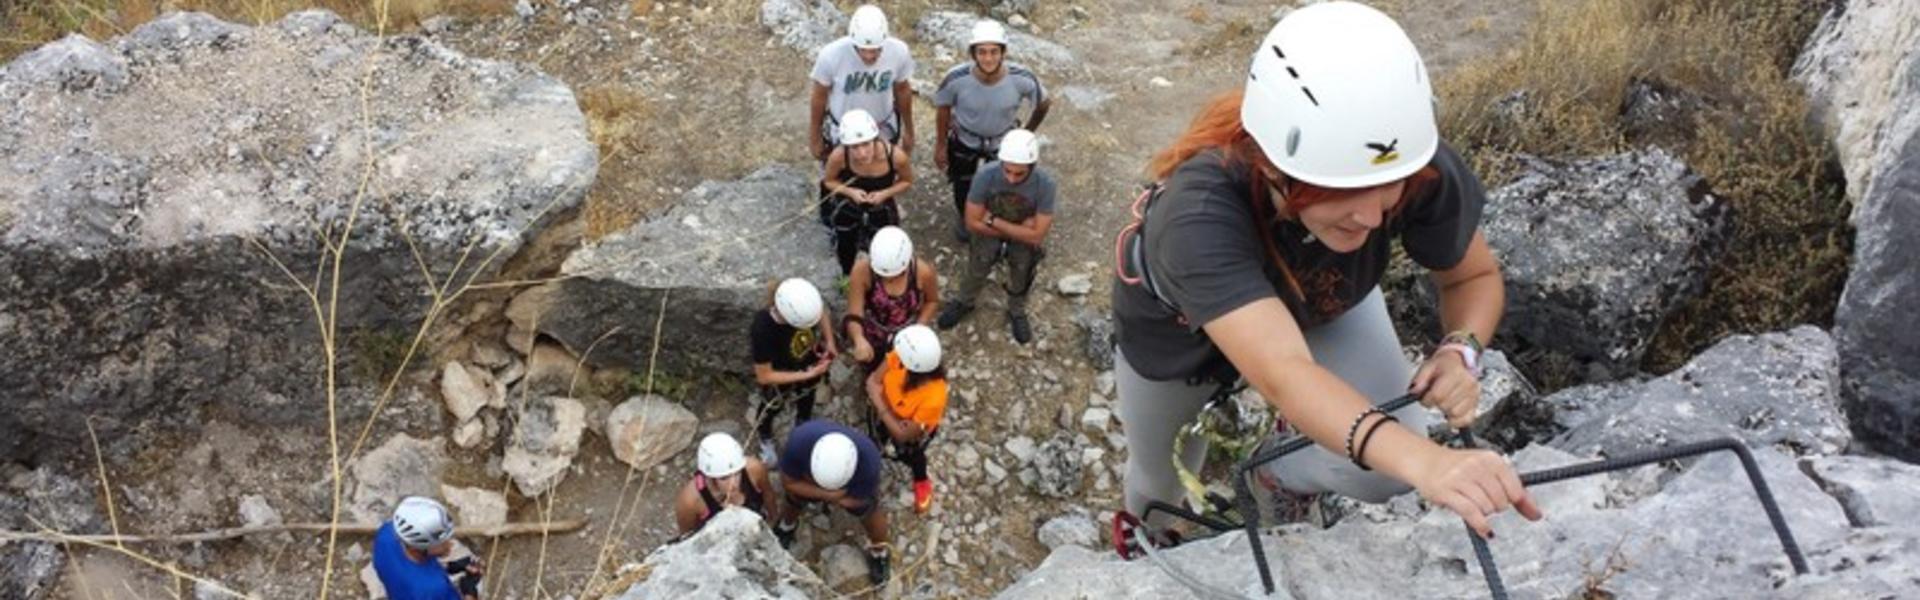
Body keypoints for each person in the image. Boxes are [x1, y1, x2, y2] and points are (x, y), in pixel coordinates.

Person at [1108, 1, 1541, 544]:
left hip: (1322, 298)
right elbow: (1283, 373)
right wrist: (1431, 464)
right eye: (1339, 193)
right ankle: (1147, 539)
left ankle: (1276, 473)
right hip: (1175, 332)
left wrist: (1461, 349)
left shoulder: (1407, 162)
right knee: (1158, 480)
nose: (1374, 216)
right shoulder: (1197, 215)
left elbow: (1472, 278)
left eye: (1390, 191)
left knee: (1387, 470)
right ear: (1272, 165)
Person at [933, 18, 1051, 241]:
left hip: (1001, 142)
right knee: (962, 183)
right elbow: (943, 109)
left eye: (994, 52)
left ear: (1003, 52)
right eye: (982, 52)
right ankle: (966, 217)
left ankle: (996, 222)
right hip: (965, 139)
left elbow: (1043, 103)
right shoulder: (956, 79)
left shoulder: (1021, 78)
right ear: (973, 53)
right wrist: (940, 145)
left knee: (1003, 183)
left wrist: (1026, 133)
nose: (988, 58)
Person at [936, 129, 1056, 345]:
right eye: (1007, 171)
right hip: (998, 233)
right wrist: (1022, 229)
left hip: (995, 227)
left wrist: (992, 220)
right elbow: (972, 221)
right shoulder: (985, 175)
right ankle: (965, 301)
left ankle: (1017, 310)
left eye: (1019, 174)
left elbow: (1038, 235)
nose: (1011, 178)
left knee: (1022, 271)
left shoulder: (1045, 185)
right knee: (977, 266)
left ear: (1032, 166)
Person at [774, 419, 892, 586]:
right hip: (813, 481)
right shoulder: (799, 442)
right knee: (793, 499)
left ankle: (880, 552)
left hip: (844, 489)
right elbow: (789, 482)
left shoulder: (868, 461)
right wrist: (827, 494)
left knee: (869, 512)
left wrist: (840, 498)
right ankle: (787, 525)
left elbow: (858, 500)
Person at [810, 4, 916, 162]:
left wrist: (909, 130)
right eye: (862, 50)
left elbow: (902, 90)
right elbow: (819, 96)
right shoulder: (831, 55)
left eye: (875, 50)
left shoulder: (899, 52)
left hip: (882, 127)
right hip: (842, 130)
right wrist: (815, 135)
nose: (868, 56)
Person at [751, 278, 838, 463]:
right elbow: (764, 375)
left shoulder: (804, 299)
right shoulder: (763, 328)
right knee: (772, 405)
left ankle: (803, 424)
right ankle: (765, 435)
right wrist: (806, 374)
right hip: (781, 371)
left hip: (807, 359)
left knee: (807, 394)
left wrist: (829, 342)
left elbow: (820, 311)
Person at [864, 325, 949, 514]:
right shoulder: (902, 355)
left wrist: (879, 402)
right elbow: (874, 380)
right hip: (887, 412)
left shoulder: (933, 397)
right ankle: (869, 461)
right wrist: (889, 415)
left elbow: (904, 435)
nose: (896, 354)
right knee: (875, 437)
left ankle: (921, 479)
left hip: (892, 414)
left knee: (912, 454)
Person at [822, 110, 915, 275]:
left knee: (884, 245)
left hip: (881, 205)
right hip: (848, 205)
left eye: (866, 144)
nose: (861, 153)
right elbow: (829, 181)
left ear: (875, 139)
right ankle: (848, 275)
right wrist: (850, 192)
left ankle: (879, 276)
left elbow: (907, 181)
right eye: (854, 147)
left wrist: (884, 194)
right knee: (845, 243)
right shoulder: (839, 156)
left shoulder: (895, 157)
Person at [845, 226, 941, 368]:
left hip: (908, 335)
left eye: (896, 275)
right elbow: (854, 312)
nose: (889, 280)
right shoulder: (862, 271)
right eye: (883, 276)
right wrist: (859, 339)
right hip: (873, 333)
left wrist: (919, 327)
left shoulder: (923, 273)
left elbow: (932, 301)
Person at [372, 497, 483, 600]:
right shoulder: (433, 589)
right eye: (441, 542)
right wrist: (470, 590)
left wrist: (450, 567)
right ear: (420, 547)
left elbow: (413, 568)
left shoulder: (386, 537)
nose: (449, 544)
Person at [674, 433, 780, 537]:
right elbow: (687, 536)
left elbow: (768, 493)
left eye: (738, 473)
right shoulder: (690, 501)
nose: (734, 483)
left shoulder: (754, 469)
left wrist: (773, 519)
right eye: (724, 478)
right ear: (709, 477)